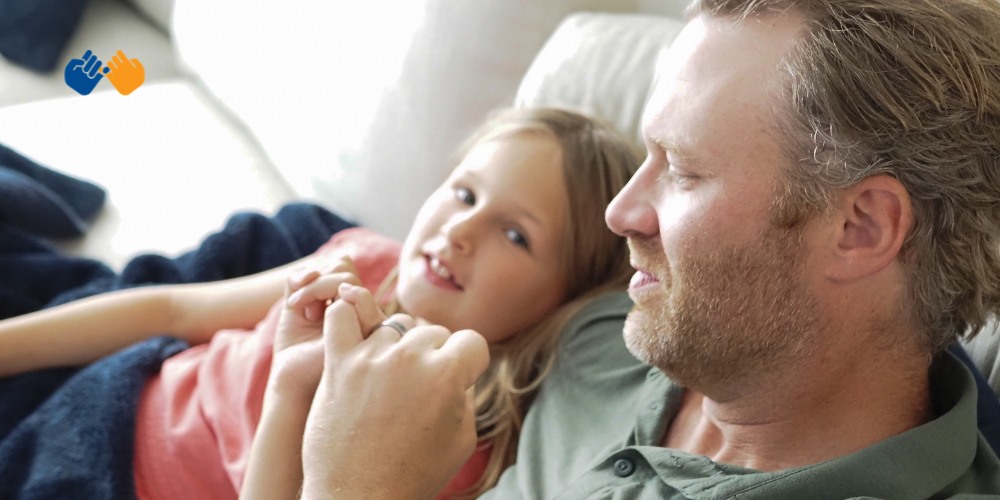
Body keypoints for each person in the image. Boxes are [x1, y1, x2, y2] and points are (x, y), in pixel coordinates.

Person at [288, 0, 1000, 498]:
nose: (621, 213)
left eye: (683, 170)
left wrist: (356, 486)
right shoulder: (598, 338)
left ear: (861, 229)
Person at [0, 108, 641, 499]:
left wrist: (292, 385)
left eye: (516, 235)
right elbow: (173, 312)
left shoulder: (451, 441)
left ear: (563, 300)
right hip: (111, 397)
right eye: (465, 194)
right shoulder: (366, 259)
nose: (460, 231)